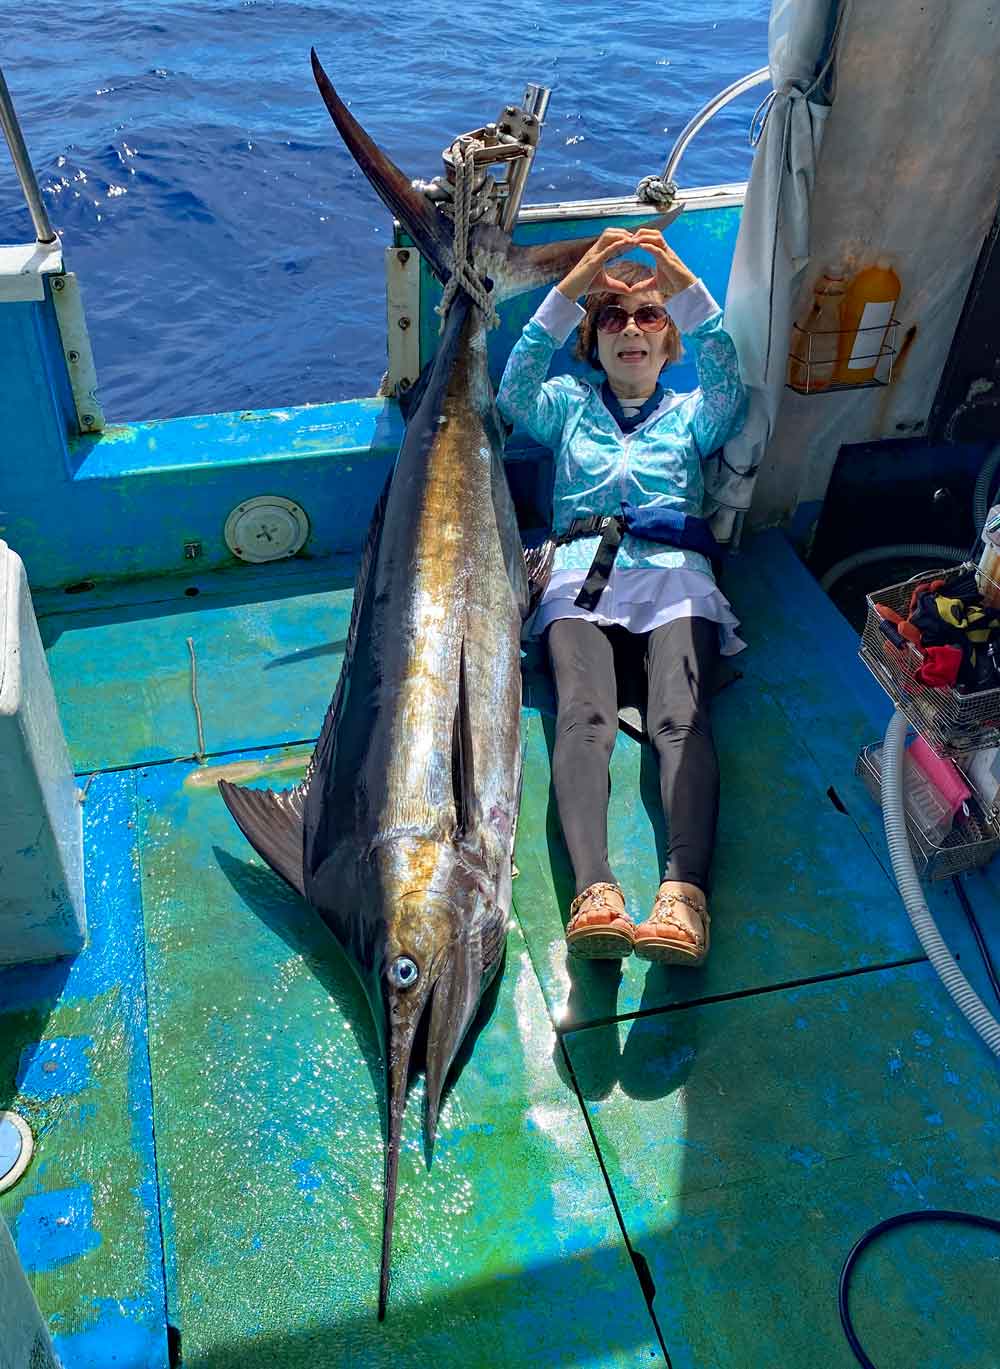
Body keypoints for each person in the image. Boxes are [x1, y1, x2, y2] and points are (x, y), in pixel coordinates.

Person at [497, 227, 747, 967]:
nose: (631, 328)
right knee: (583, 718)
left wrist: (679, 283)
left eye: (649, 317)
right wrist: (576, 283)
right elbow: (514, 386)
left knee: (681, 719)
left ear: (670, 341)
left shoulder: (693, 414)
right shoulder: (567, 406)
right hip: (584, 573)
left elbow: (732, 382)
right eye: (613, 318)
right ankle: (595, 890)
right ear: (593, 341)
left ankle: (684, 895)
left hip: (676, 577)